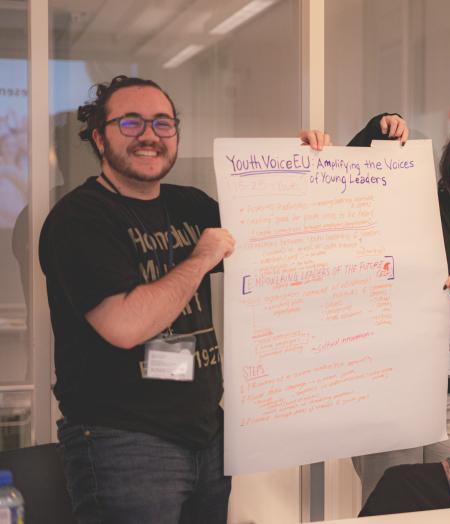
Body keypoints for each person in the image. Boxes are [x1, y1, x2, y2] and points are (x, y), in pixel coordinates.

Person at [38, 75, 328, 523]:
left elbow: (280, 234)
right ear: (99, 136)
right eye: (131, 123)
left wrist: (302, 163)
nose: (150, 135)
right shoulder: (79, 219)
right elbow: (125, 324)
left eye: (162, 123)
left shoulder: (189, 205)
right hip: (124, 441)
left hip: (207, 436)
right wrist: (202, 256)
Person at [317, 113, 450, 503]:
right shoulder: (418, 204)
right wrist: (377, 128)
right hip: (396, 389)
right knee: (391, 505)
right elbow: (348, 191)